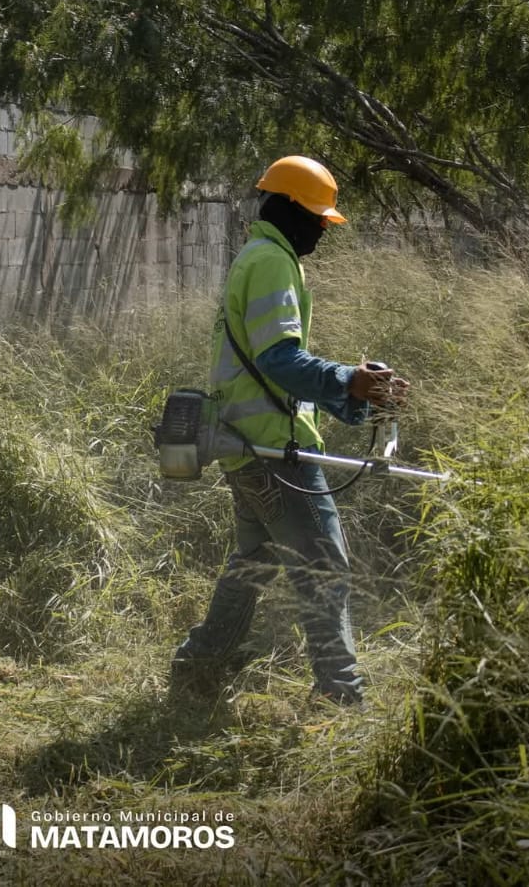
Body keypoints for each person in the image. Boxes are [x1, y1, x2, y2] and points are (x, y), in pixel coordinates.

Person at [170, 155, 408, 707]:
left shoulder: (260, 256)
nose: (324, 230)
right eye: (320, 218)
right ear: (291, 209)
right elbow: (279, 359)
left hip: (248, 446)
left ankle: (198, 666)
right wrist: (348, 379)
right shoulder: (273, 262)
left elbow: (274, 375)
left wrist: (351, 401)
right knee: (325, 565)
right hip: (273, 454)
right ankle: (341, 699)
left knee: (255, 563)